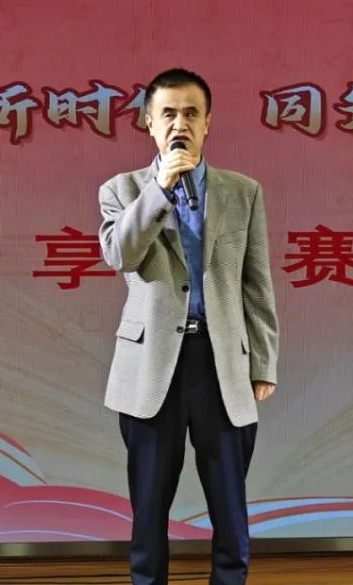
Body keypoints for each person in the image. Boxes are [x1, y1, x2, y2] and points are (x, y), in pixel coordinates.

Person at [97, 67, 279, 585]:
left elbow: (256, 283)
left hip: (222, 364)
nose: (181, 123)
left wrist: (263, 361)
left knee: (230, 503)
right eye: (169, 113)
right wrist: (160, 189)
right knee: (149, 504)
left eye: (191, 113)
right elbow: (121, 255)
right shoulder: (122, 190)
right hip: (152, 365)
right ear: (149, 123)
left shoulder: (242, 192)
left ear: (207, 123)